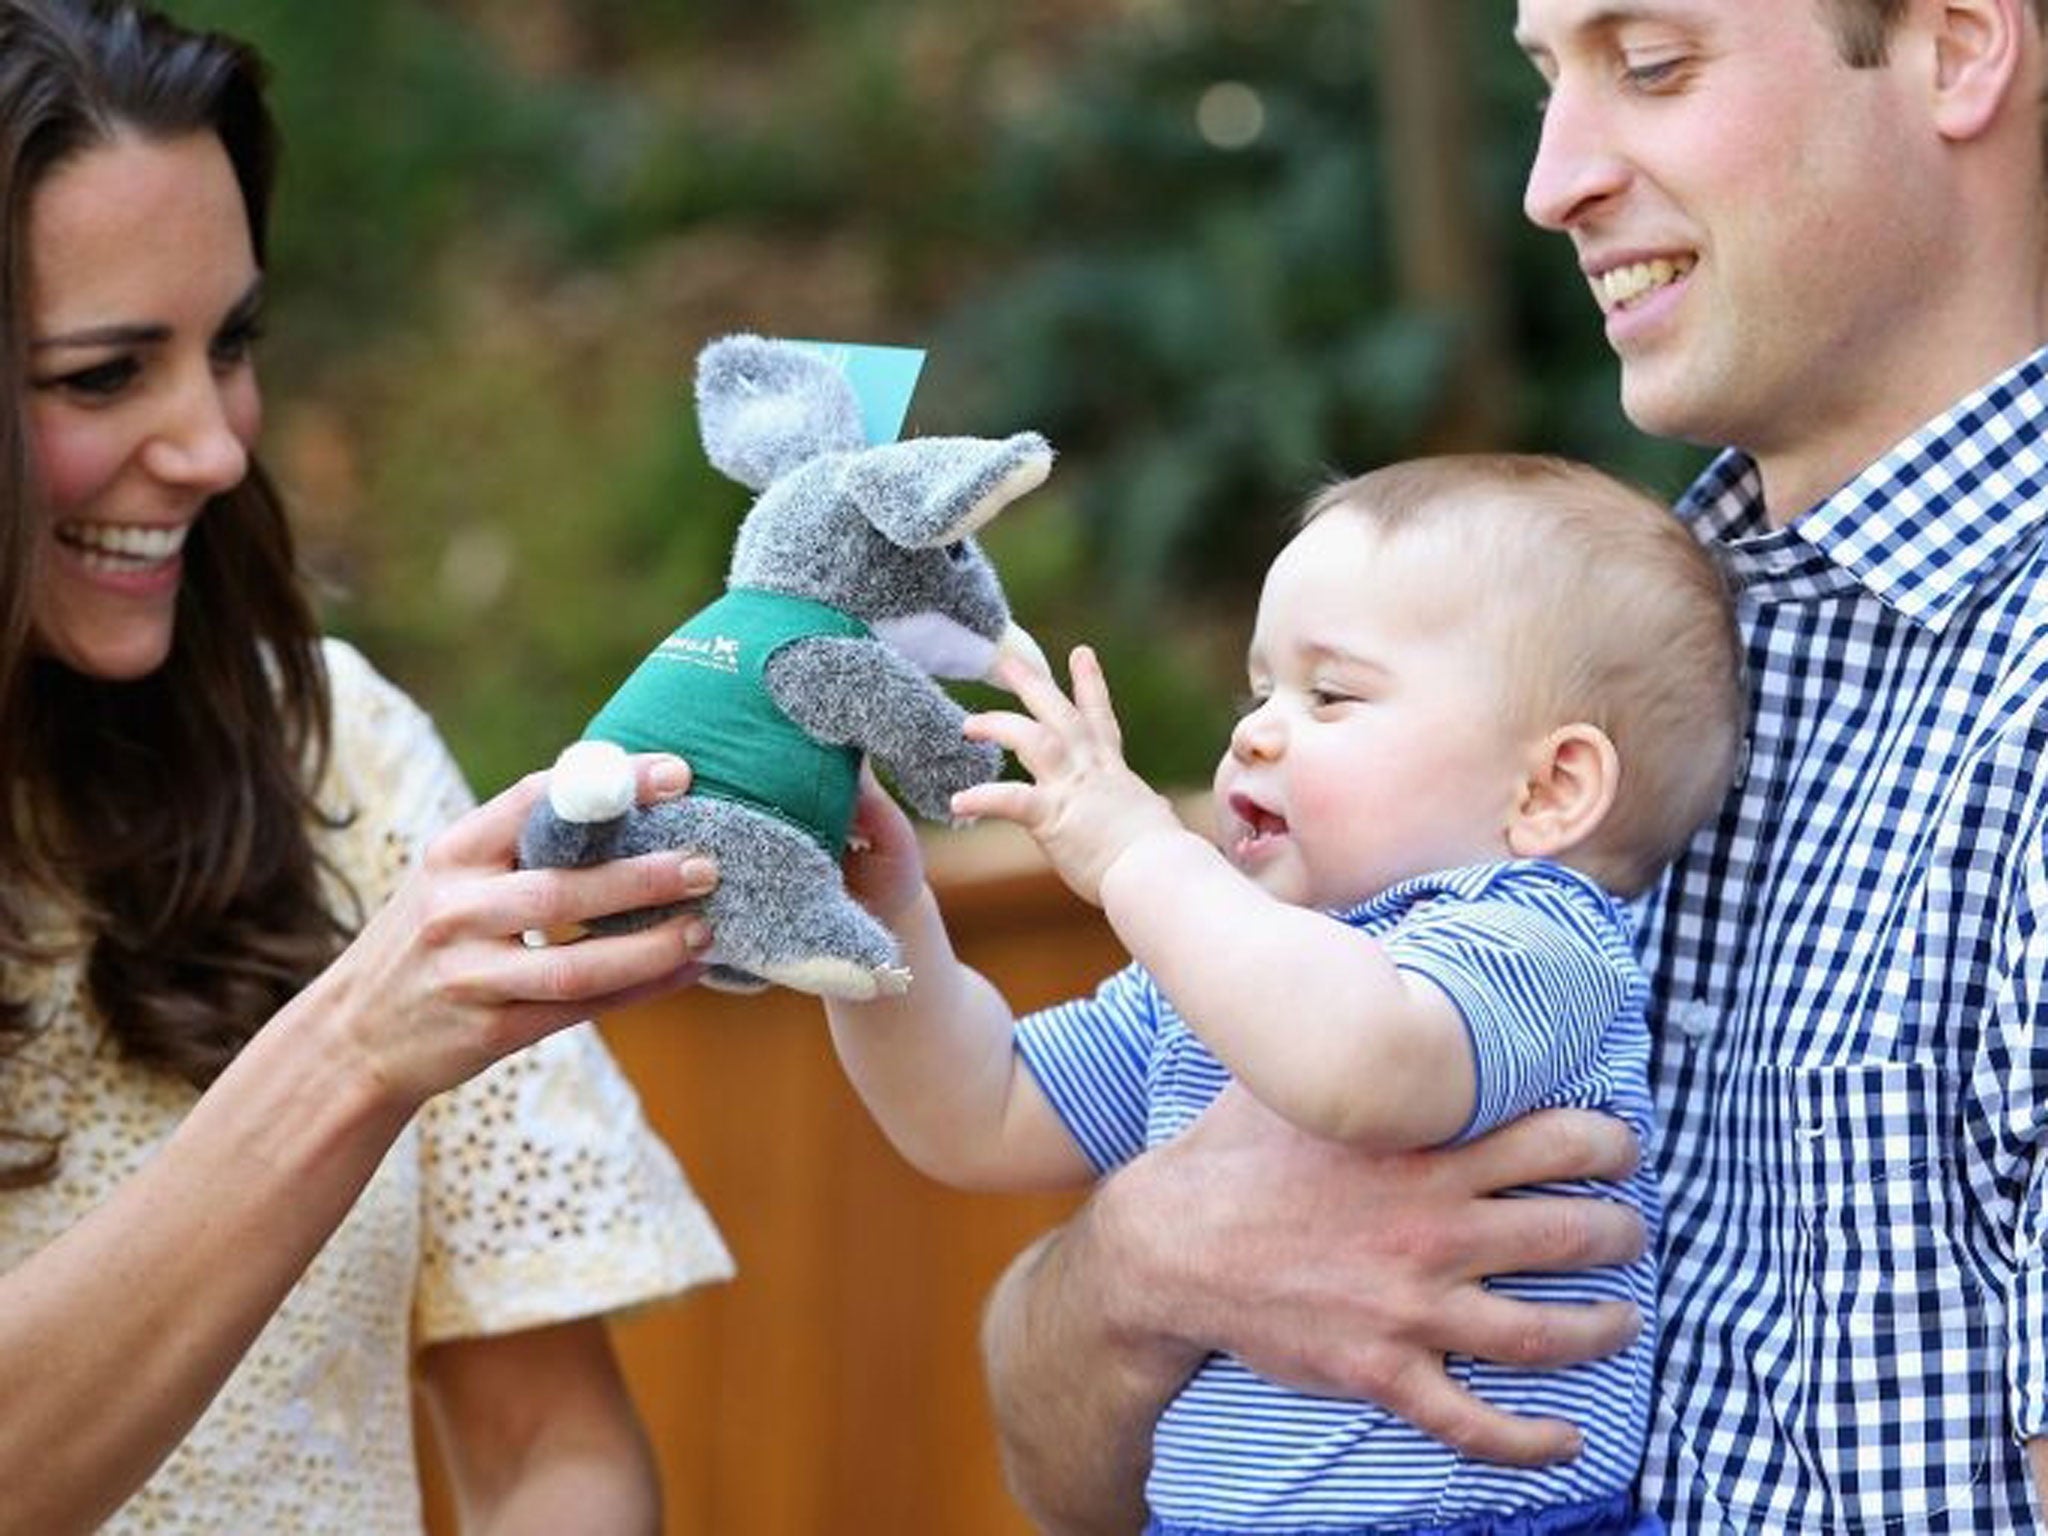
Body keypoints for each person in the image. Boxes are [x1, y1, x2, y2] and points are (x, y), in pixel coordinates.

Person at [976, 0, 2048, 1531]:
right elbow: (1059, 1467)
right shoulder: (1545, 640)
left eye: (1655, 65)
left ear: (1955, 46)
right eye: (1547, 81)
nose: (1550, 184)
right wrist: (1144, 1264)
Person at [0, 2, 735, 1532]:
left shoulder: (335, 749)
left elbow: (552, 1454)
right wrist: (349, 1054)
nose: (212, 443)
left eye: (232, 344)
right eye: (102, 375)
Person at [829, 455, 1744, 1535]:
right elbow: (977, 1112)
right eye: (1257, 690)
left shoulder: (1536, 939)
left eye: (1331, 694)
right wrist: (876, 926)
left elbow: (1358, 1070)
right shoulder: (1235, 956)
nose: (1253, 732)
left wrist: (1137, 857)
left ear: (1545, 790)